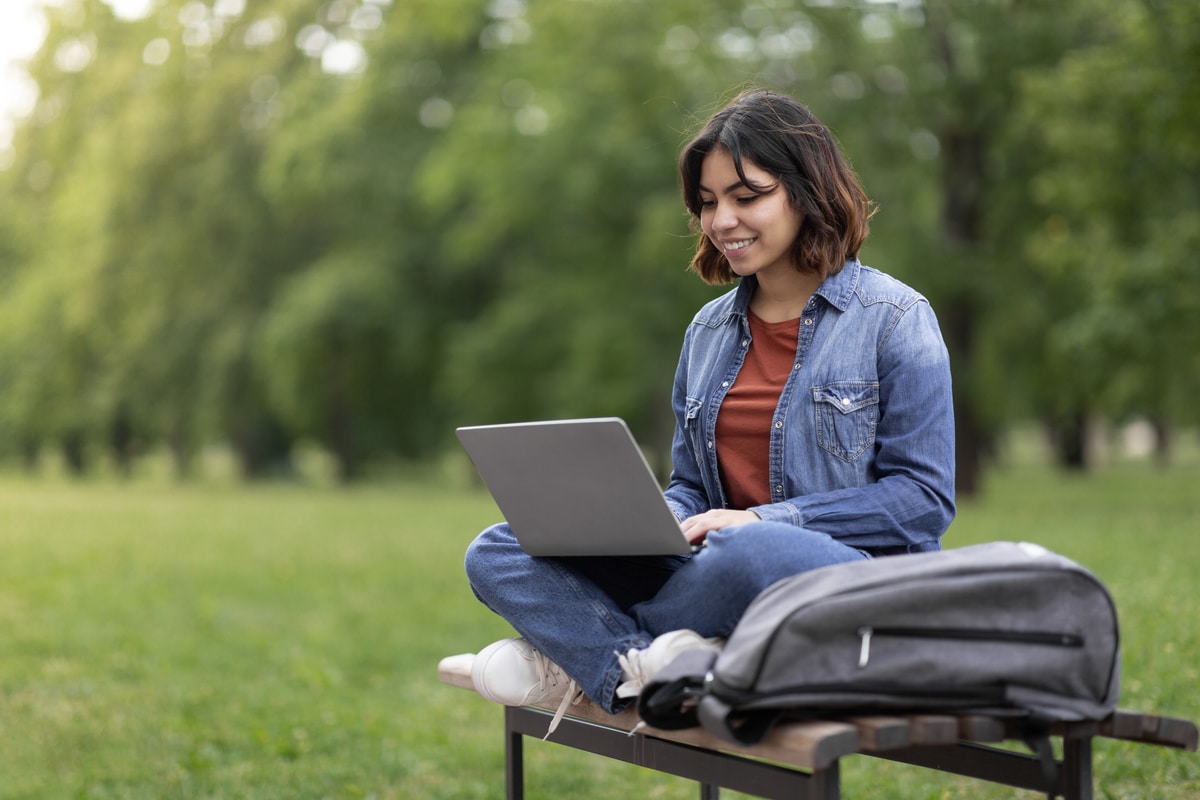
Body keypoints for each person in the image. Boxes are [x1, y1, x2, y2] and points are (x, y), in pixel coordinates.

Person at [459, 88, 956, 734]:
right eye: (707, 202)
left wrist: (762, 521)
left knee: (748, 554)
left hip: (845, 584)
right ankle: (646, 664)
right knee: (495, 550)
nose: (722, 220)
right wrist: (651, 522)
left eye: (746, 197)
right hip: (710, 567)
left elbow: (922, 501)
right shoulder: (708, 333)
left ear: (807, 191)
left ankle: (581, 656)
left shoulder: (896, 320)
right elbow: (692, 486)